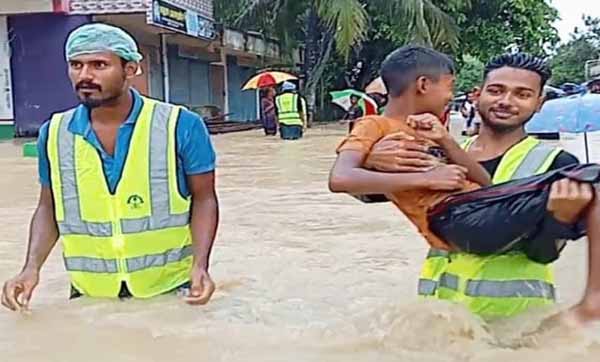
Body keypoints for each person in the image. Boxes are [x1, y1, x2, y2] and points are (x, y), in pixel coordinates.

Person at [329, 46, 600, 324]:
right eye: (496, 90)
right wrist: (373, 158)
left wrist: (559, 218)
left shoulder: (558, 163)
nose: (506, 101)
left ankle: (595, 299)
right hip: (442, 321)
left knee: (593, 180)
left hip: (516, 322)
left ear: (540, 103)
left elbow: (543, 254)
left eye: (523, 94)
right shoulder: (436, 147)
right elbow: (360, 188)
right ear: (477, 94)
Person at [1, 23, 219, 311]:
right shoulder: (53, 133)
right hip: (90, 298)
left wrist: (201, 266)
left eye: (99, 65)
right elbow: (48, 207)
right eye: (76, 65)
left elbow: (204, 199)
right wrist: (31, 268)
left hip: (170, 293)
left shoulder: (180, 125)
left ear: (130, 69)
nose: (85, 75)